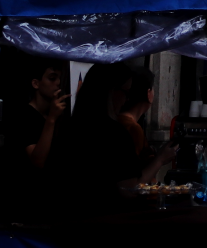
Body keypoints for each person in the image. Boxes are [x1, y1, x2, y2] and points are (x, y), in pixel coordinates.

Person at [49, 62, 175, 213]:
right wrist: (160, 160)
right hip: (103, 219)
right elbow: (129, 189)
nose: (126, 100)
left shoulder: (70, 127)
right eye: (125, 92)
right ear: (110, 91)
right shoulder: (114, 133)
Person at [0, 57, 65, 207]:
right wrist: (52, 119)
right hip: (28, 199)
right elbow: (37, 160)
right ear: (36, 83)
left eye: (61, 78)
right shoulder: (23, 116)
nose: (58, 83)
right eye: (52, 78)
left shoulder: (53, 116)